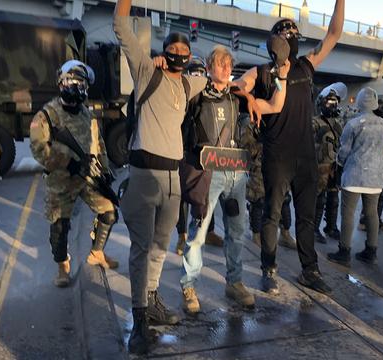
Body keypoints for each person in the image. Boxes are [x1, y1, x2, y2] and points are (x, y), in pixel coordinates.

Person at [114, 0, 244, 353]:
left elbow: (220, 78)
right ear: (162, 53)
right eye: (171, 50)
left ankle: (152, 299)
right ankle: (139, 321)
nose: (178, 55)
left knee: (160, 246)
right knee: (141, 248)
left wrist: (244, 81)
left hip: (172, 178)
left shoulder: (189, 85)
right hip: (144, 173)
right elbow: (121, 27)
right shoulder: (147, 72)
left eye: (184, 51)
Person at [233, 0, 345, 296]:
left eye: (292, 37)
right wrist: (247, 98)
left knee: (306, 218)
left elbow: (333, 34)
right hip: (277, 155)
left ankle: (310, 271)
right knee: (272, 214)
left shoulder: (306, 65)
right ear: (274, 43)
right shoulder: (262, 72)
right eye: (283, 37)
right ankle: (268, 270)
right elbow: (238, 85)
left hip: (305, 155)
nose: (289, 42)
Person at [179, 45, 289, 314]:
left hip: (235, 174)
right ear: (208, 66)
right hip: (206, 172)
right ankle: (189, 284)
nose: (227, 68)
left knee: (236, 232)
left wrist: (282, 78)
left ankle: (234, 281)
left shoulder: (236, 97)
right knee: (198, 233)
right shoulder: (195, 96)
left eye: (229, 64)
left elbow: (275, 105)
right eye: (220, 64)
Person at [29, 60, 119, 288]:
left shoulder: (87, 115)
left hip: (86, 179)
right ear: (61, 83)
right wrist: (66, 163)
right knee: (59, 229)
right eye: (71, 81)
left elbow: (98, 146)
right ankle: (62, 266)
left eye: (80, 83)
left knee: (109, 212)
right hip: (61, 182)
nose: (75, 87)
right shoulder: (47, 115)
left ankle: (97, 253)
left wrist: (105, 170)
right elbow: (38, 150)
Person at [327, 88, 383, 266]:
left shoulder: (353, 124)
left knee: (348, 214)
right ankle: (371, 251)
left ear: (360, 102)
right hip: (376, 177)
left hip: (354, 175)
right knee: (372, 214)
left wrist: (339, 163)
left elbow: (344, 150)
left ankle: (344, 252)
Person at [175, 57, 223, 255]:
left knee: (206, 194)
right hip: (184, 150)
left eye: (201, 73)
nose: (197, 77)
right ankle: (182, 236)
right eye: (193, 73)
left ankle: (208, 230)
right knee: (183, 195)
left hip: (206, 153)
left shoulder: (209, 96)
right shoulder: (180, 94)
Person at [313, 82, 347, 244]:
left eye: (335, 103)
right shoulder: (314, 122)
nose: (333, 106)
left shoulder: (338, 124)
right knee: (319, 200)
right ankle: (314, 229)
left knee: (333, 198)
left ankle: (331, 227)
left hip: (334, 166)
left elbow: (343, 143)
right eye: (329, 103)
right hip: (319, 167)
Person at [358, 95, 383, 231]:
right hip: (371, 164)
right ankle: (365, 221)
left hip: (382, 163)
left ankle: (375, 220)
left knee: (381, 193)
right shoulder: (371, 123)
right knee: (372, 193)